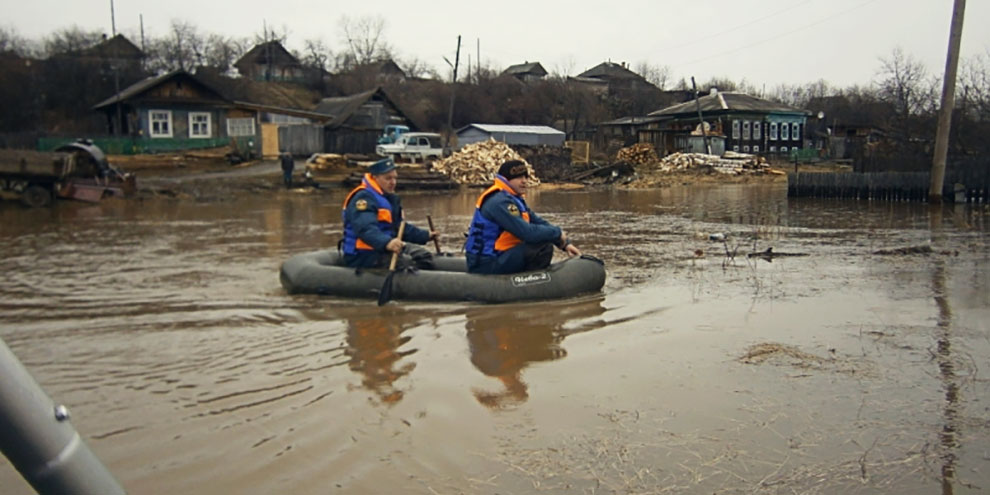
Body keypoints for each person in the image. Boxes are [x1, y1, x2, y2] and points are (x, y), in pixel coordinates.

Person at [465, 160, 582, 275]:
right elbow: (527, 233)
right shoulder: (499, 202)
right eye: (519, 178)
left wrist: (564, 244)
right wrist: (557, 233)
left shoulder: (513, 198)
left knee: (543, 238)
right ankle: (528, 283)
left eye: (526, 177)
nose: (524, 181)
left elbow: (537, 222)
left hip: (495, 256)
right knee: (543, 248)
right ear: (506, 179)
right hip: (486, 262)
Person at [341, 158, 437, 269]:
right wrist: (387, 243)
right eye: (388, 178)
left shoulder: (389, 198)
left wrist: (425, 235)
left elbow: (398, 227)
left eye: (395, 178)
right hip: (363, 254)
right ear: (375, 178)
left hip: (384, 248)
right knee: (404, 263)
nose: (393, 182)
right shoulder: (364, 199)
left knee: (423, 256)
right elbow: (365, 229)